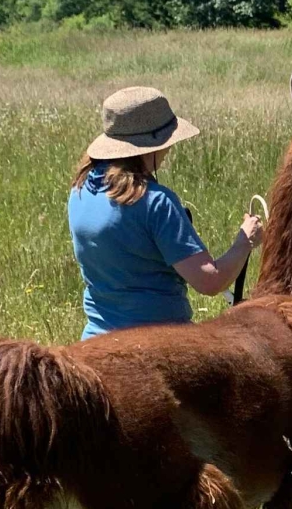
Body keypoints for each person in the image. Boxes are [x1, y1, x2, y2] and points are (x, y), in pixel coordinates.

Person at [68, 86, 264, 341]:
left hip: (95, 341)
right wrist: (245, 241)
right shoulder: (156, 202)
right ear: (149, 147)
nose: (169, 150)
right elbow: (210, 282)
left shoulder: (80, 190)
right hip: (159, 347)